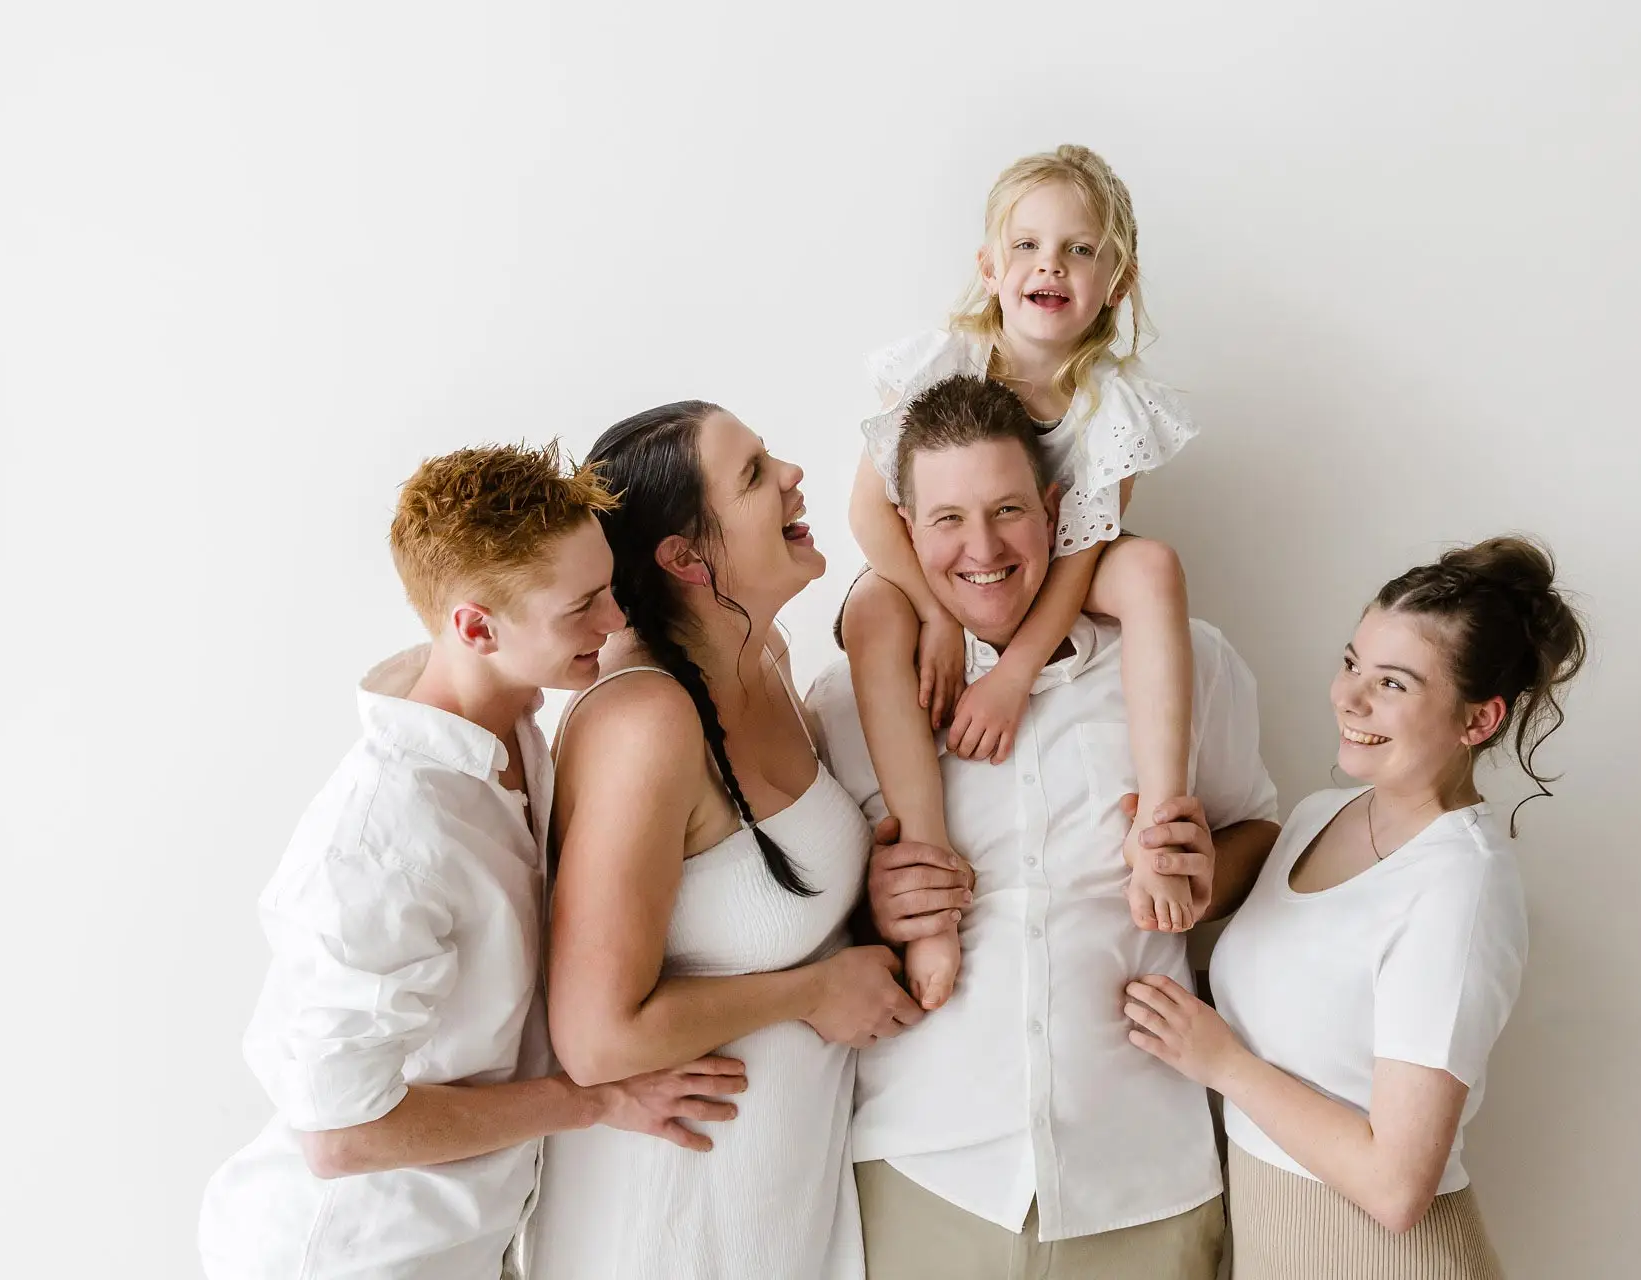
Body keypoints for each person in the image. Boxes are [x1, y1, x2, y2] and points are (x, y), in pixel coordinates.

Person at [198, 443, 748, 1280]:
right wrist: (595, 1101)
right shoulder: (383, 840)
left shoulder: (517, 722)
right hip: (354, 1257)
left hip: (472, 1245)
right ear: (476, 628)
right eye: (583, 607)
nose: (613, 619)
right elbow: (342, 1135)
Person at [810, 374, 1282, 1279]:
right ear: (905, 530)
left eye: (1008, 510)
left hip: (1145, 1176)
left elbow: (1257, 830)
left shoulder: (1186, 662)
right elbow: (796, 927)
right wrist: (875, 907)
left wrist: (1201, 875)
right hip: (925, 1166)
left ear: (1057, 509)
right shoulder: (843, 705)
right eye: (946, 519)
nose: (981, 548)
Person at [527, 402, 921, 1280]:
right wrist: (813, 992)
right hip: (666, 1225)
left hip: (779, 1208)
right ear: (685, 559)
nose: (791, 475)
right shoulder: (646, 722)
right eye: (752, 474)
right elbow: (596, 1038)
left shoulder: (767, 653)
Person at [1125, 536, 1587, 1278]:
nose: (1349, 697)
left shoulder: (1460, 887)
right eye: (1351, 664)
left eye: (1394, 684)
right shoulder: (1318, 816)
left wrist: (1221, 1064)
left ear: (1478, 721)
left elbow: (1398, 1187)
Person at [841, 144, 1204, 1012]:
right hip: (932, 575)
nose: (1052, 266)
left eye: (1081, 250)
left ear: (1116, 280)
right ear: (991, 267)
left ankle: (1158, 825)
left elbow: (1080, 555)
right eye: (1030, 246)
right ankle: (929, 885)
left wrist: (1011, 674)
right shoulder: (941, 365)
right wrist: (935, 617)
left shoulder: (1113, 406)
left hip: (1048, 576)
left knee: (1150, 565)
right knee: (867, 611)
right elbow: (868, 517)